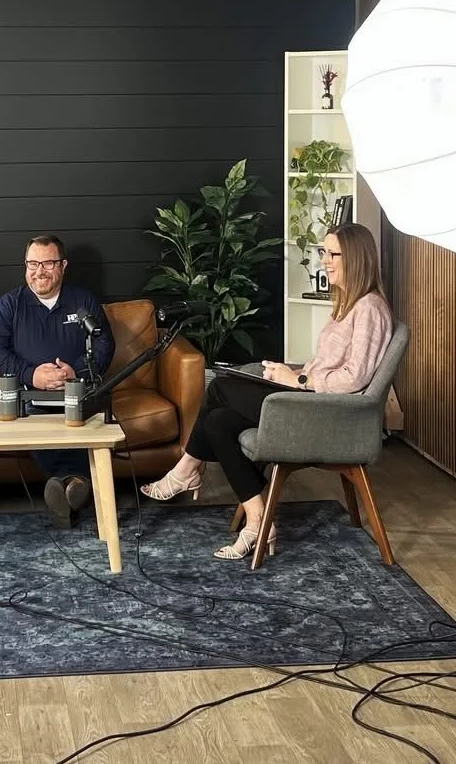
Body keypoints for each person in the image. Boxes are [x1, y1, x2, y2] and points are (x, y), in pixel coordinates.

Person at [141, 223, 393, 560]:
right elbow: (328, 367)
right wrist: (291, 373)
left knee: (222, 385)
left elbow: (353, 378)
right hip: (311, 401)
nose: (325, 261)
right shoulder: (347, 305)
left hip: (328, 416)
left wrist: (298, 381)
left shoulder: (369, 310)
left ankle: (186, 469)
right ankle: (259, 519)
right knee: (217, 422)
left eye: (334, 254)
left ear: (358, 259)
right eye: (324, 252)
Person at [0, 234, 115, 528]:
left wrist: (75, 371)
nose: (39, 271)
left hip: (78, 393)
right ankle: (74, 483)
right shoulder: (9, 305)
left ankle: (64, 486)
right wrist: (33, 375)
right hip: (31, 396)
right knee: (35, 422)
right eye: (32, 263)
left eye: (48, 263)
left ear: (63, 265)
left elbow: (104, 344)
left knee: (92, 421)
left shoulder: (83, 300)